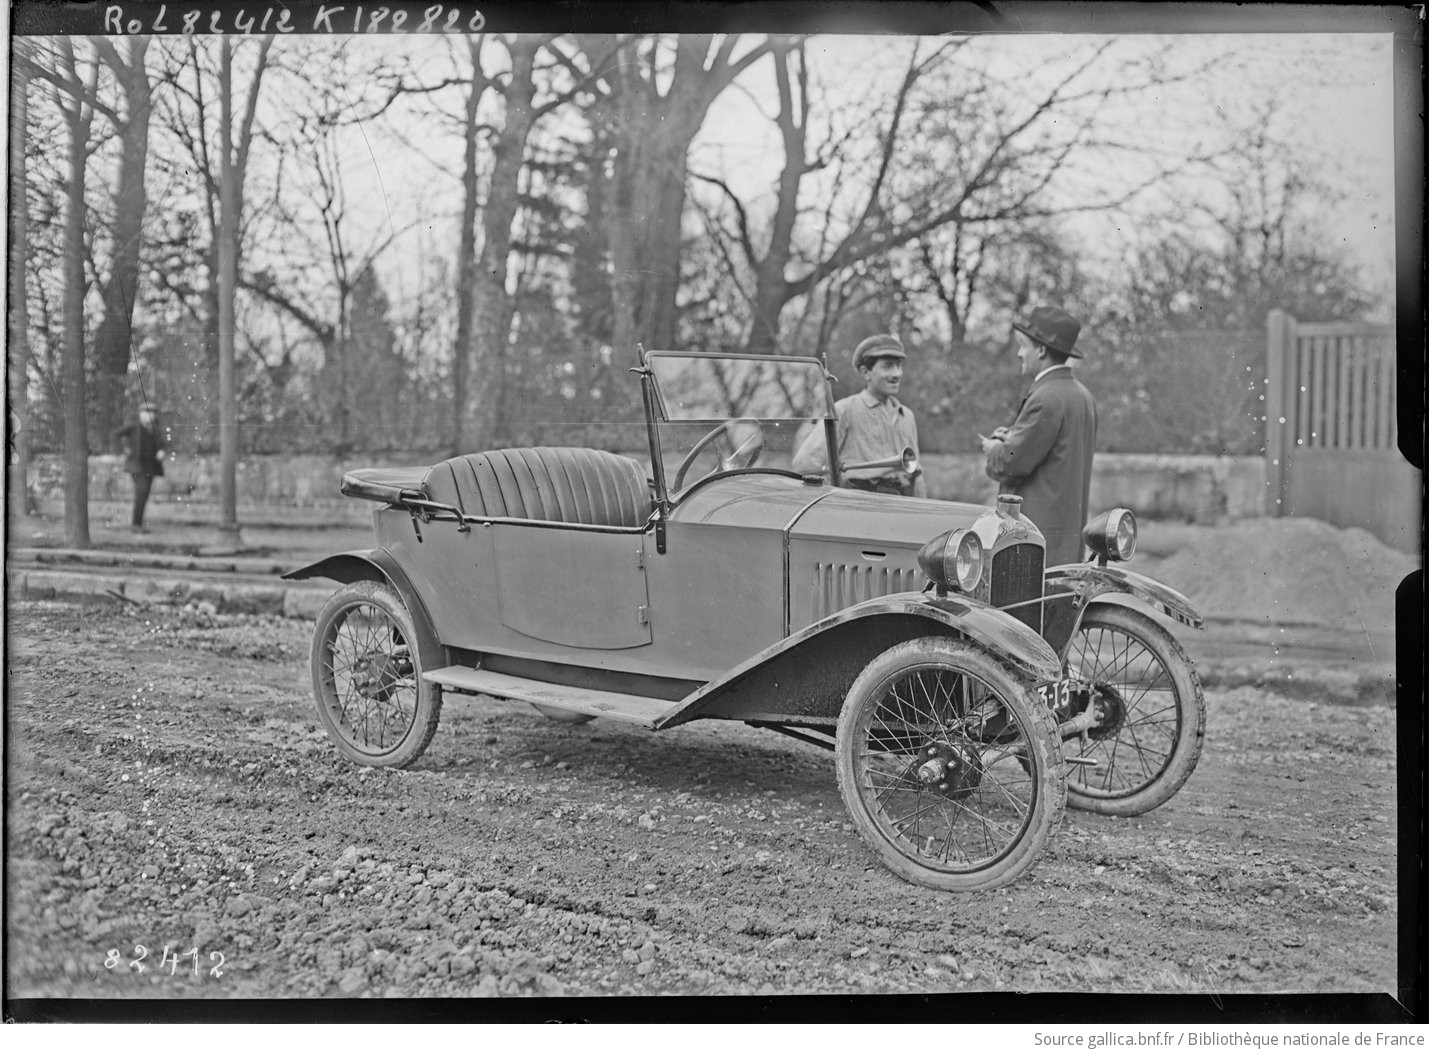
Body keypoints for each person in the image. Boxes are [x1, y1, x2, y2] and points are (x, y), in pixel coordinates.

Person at [980, 305, 1097, 566]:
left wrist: (994, 448)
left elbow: (1011, 463)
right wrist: (1011, 436)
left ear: (1041, 350)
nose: (1020, 353)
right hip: (1066, 542)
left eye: (1023, 345)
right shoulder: (1083, 396)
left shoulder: (1046, 397)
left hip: (1034, 541)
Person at [793, 333, 926, 497]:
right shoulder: (844, 409)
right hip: (860, 506)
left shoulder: (907, 415)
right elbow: (805, 464)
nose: (897, 374)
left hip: (903, 505)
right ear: (866, 372)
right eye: (887, 366)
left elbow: (917, 475)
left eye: (899, 366)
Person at [113, 402, 166, 532]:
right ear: (141, 414)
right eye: (147, 413)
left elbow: (162, 444)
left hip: (151, 467)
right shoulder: (133, 427)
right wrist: (124, 449)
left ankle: (138, 523)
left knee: (144, 494)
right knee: (141, 491)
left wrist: (162, 451)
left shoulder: (156, 429)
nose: (150, 416)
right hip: (136, 466)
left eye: (152, 413)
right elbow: (115, 434)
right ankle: (135, 525)